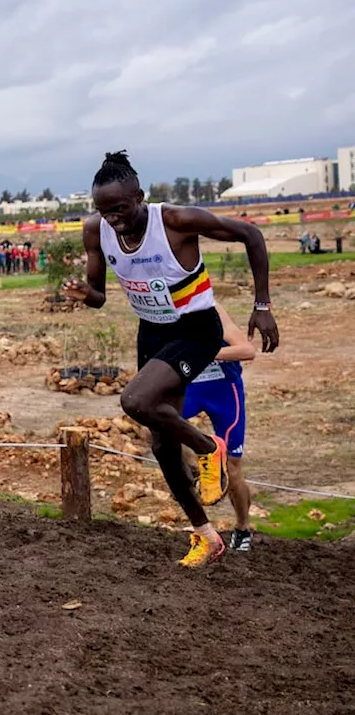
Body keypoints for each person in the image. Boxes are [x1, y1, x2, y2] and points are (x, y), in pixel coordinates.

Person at [63, 151, 278, 568]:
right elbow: (99, 297)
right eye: (104, 211)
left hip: (197, 328)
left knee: (136, 402)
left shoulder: (176, 221)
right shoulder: (97, 230)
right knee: (161, 444)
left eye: (121, 208)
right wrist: (81, 294)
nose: (114, 219)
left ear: (140, 196)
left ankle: (207, 447)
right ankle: (206, 536)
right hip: (154, 331)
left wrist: (263, 304)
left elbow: (251, 235)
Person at [181, 302, 256, 551]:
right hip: (191, 388)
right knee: (155, 419)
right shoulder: (163, 311)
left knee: (233, 469)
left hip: (224, 390)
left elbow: (247, 350)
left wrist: (208, 353)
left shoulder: (212, 310)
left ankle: (243, 527)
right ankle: (197, 469)